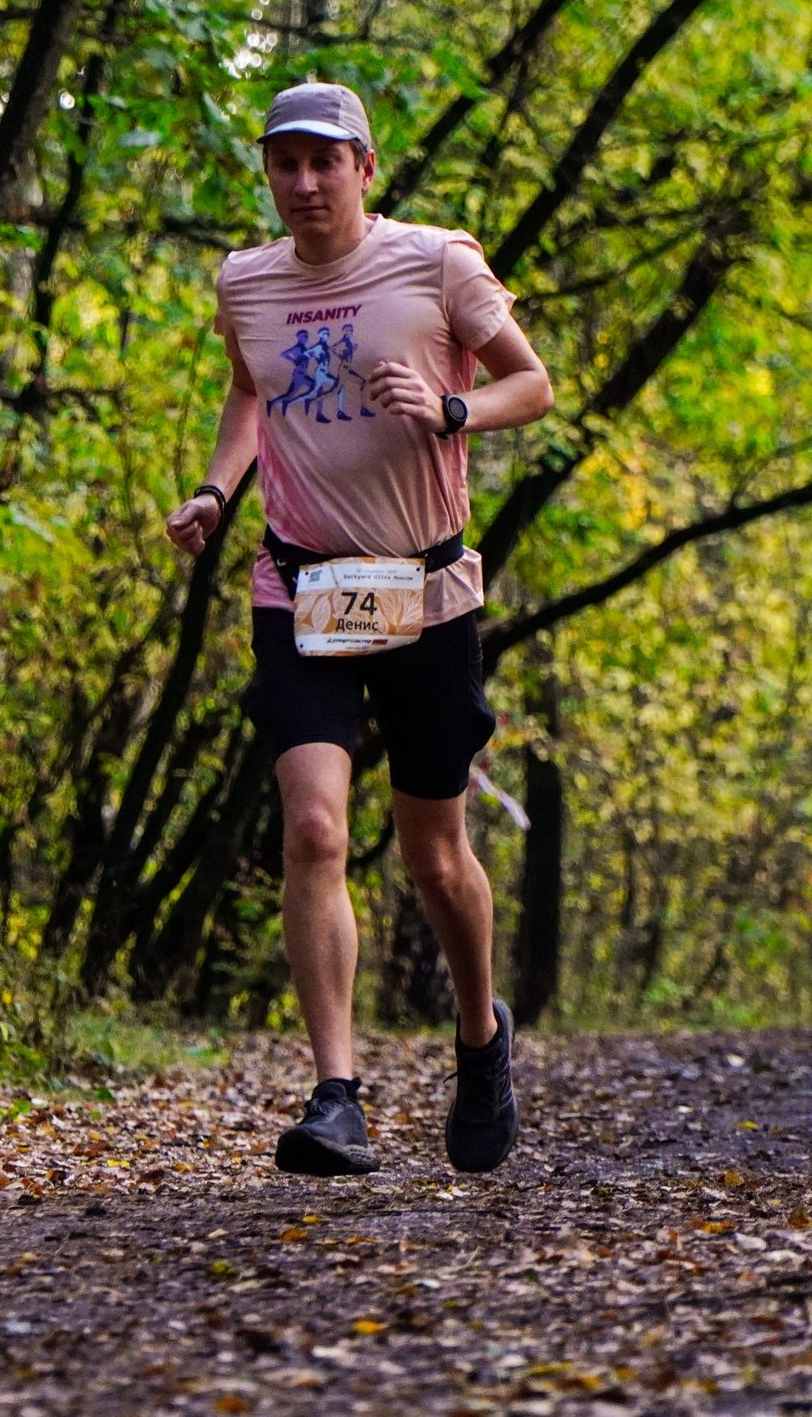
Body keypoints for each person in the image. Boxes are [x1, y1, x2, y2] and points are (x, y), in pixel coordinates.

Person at [162, 82, 555, 1176]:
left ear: (364, 168)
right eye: (283, 164)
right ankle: (336, 1096)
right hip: (302, 588)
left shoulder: (436, 262)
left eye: (322, 162)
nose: (301, 183)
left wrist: (452, 409)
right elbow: (252, 395)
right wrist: (214, 490)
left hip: (424, 592)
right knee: (315, 832)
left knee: (434, 854)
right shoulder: (245, 281)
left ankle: (480, 1037)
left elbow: (535, 383)